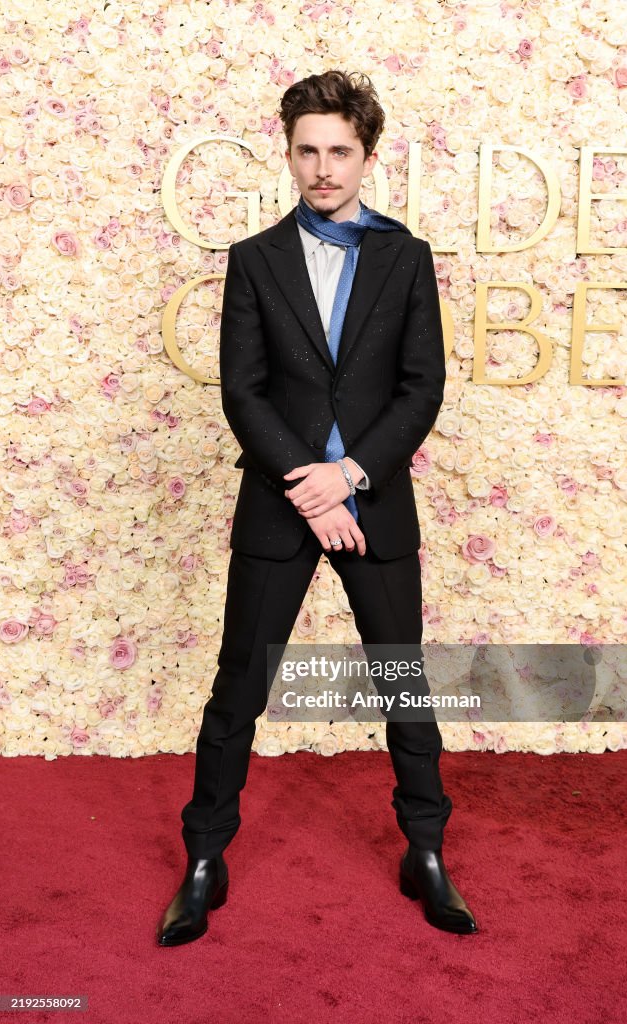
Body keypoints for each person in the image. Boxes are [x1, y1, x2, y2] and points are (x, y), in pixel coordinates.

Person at [157, 69, 478, 946]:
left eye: (340, 151)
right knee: (238, 690)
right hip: (278, 502)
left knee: (402, 686)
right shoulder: (252, 259)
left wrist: (353, 477)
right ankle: (203, 860)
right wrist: (310, 482)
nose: (323, 168)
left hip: (373, 504)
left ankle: (426, 852)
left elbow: (422, 389)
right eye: (307, 150)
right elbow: (242, 392)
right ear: (289, 154)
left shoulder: (405, 258)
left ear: (366, 157)